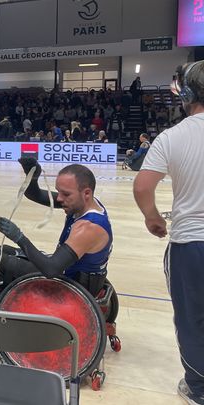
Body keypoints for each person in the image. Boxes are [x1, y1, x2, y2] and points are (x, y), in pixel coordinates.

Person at [133, 60, 204, 404]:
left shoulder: (172, 136)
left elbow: (143, 186)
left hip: (191, 243)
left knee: (191, 317)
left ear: (187, 93)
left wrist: (152, 218)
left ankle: (199, 387)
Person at [0, 160, 112, 300]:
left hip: (73, 287)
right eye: (59, 192)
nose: (60, 198)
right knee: (3, 250)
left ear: (86, 193)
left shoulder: (89, 227)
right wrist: (32, 177)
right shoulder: (84, 202)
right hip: (71, 273)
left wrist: (19, 237)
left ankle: (6, 309)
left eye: (66, 194)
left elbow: (51, 270)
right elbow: (35, 194)